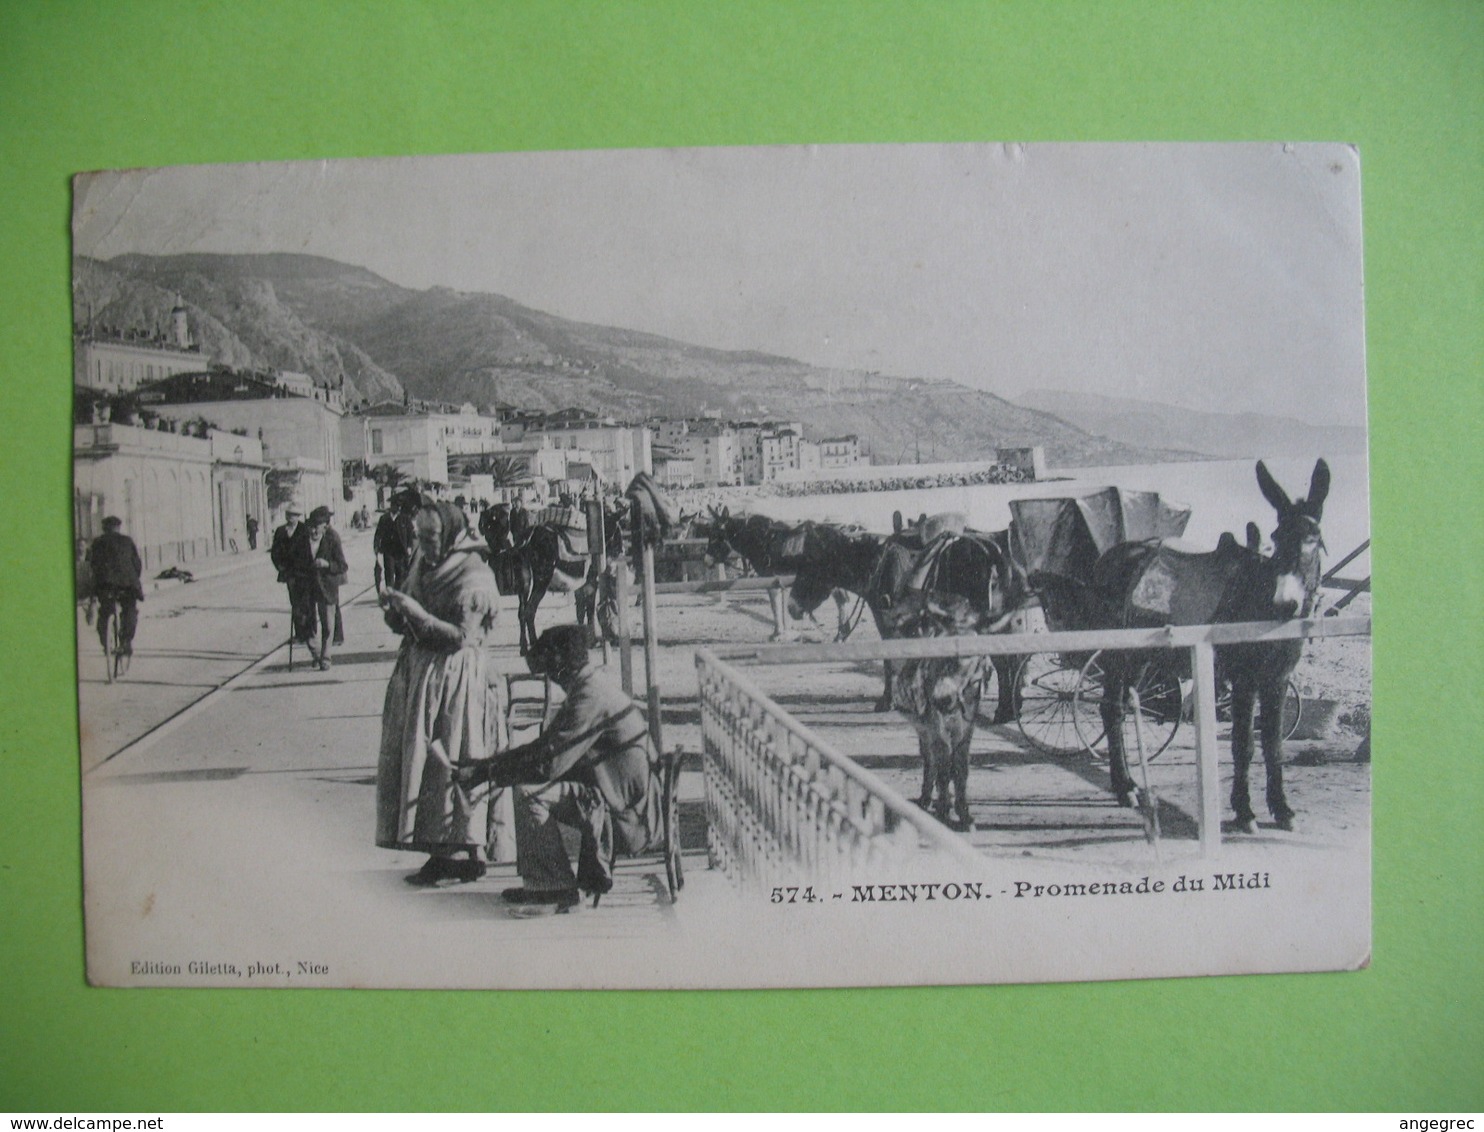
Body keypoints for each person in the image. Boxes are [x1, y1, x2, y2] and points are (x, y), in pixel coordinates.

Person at [456, 625, 662, 911]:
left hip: (628, 816)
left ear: (560, 666)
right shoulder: (590, 686)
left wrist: (487, 774)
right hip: (623, 799)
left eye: (549, 672)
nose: (549, 679)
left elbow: (549, 765)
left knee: (529, 790)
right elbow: (545, 747)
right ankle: (544, 882)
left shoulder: (589, 698)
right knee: (528, 783)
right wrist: (486, 766)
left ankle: (553, 887)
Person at [376, 499, 513, 885]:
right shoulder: (422, 565)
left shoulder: (473, 575)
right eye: (420, 536)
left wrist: (416, 614)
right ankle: (440, 850)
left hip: (459, 681)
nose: (425, 544)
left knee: (456, 758)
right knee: (426, 765)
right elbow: (408, 621)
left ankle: (467, 851)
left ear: (450, 534)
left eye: (432, 537)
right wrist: (394, 611)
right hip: (423, 677)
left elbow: (461, 637)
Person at [290, 506, 348, 670]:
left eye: (318, 527)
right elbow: (293, 562)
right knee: (304, 623)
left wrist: (327, 564)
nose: (314, 531)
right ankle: (316, 653)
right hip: (307, 587)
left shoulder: (332, 539)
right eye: (311, 527)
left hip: (327, 586)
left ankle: (326, 656)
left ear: (325, 526)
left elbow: (342, 565)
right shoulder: (301, 540)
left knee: (328, 625)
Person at [89, 517, 143, 659]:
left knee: (105, 612)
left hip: (106, 585)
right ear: (118, 527)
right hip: (128, 584)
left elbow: (92, 565)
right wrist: (134, 579)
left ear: (104, 528)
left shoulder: (97, 543)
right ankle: (126, 642)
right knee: (130, 609)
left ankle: (106, 642)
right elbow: (137, 564)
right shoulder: (127, 541)